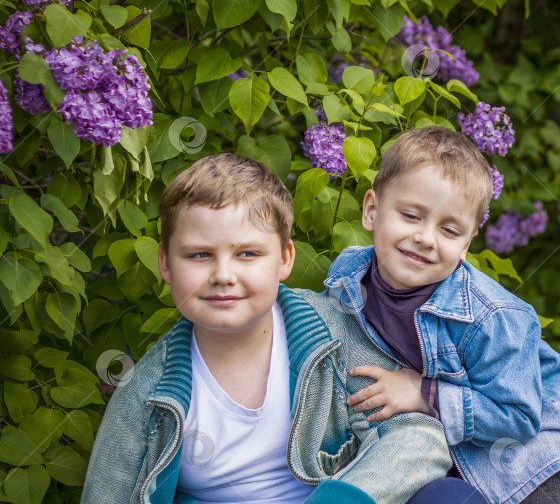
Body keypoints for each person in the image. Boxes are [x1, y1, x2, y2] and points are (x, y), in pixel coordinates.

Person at [81, 153, 452, 504]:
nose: (223, 276)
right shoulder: (147, 392)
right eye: (199, 255)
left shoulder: (332, 336)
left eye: (248, 254)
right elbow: (105, 493)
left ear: (285, 259)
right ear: (165, 262)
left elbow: (416, 436)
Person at [324, 126, 560, 504]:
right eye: (411, 215)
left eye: (449, 230)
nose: (426, 237)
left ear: (466, 246)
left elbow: (518, 417)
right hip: (444, 453)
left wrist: (424, 393)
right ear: (372, 210)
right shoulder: (348, 278)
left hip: (536, 464)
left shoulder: (493, 317)